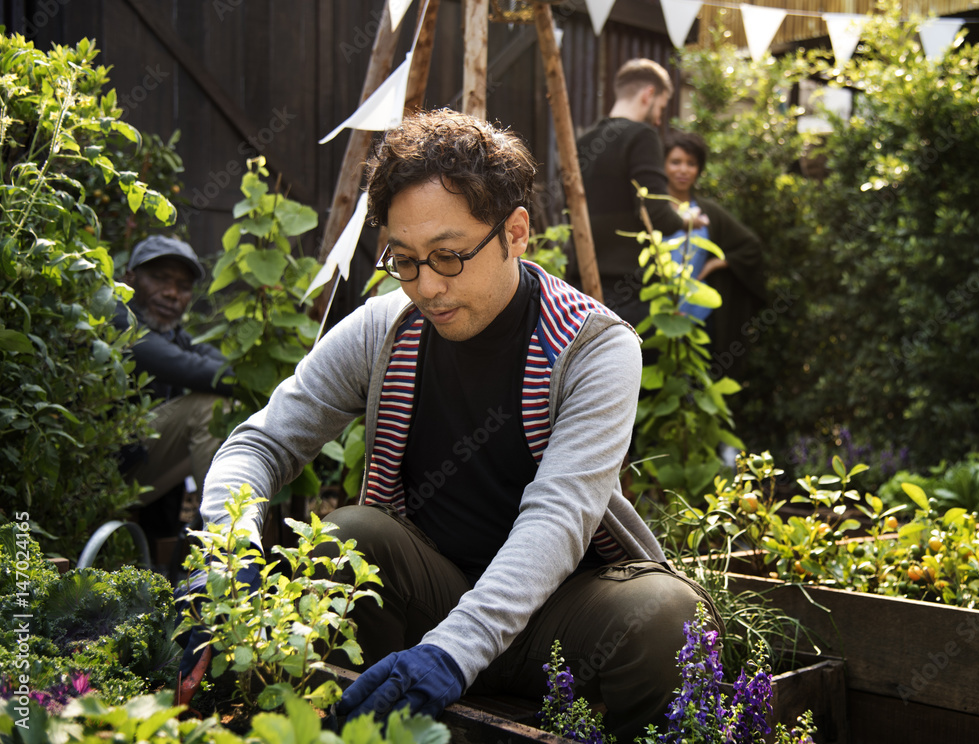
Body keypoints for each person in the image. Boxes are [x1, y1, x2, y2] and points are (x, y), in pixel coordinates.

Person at [190, 109, 720, 740]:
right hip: (431, 600)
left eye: (448, 256)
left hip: (560, 622)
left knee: (668, 616)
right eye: (405, 260)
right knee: (347, 535)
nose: (428, 287)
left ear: (515, 232)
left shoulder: (593, 348)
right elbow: (260, 442)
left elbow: (559, 514)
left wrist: (453, 652)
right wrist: (228, 551)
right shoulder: (382, 329)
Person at [569, 58, 703, 327]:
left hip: (579, 287)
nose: (658, 118)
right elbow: (656, 215)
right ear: (649, 94)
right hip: (628, 291)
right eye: (661, 107)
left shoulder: (583, 140)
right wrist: (690, 220)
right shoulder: (641, 136)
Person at [114, 235, 232, 526]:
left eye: (183, 286)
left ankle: (205, 532)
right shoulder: (119, 321)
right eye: (160, 279)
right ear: (129, 278)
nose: (172, 293)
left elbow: (222, 365)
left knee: (231, 406)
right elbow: (195, 369)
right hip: (97, 476)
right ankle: (223, 545)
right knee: (209, 407)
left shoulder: (173, 334)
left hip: (135, 474)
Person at [662, 131, 766, 381]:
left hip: (701, 320)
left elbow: (751, 246)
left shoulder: (708, 212)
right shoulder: (652, 212)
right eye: (676, 162)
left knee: (699, 389)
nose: (683, 170)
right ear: (663, 165)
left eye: (691, 163)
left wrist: (714, 264)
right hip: (658, 319)